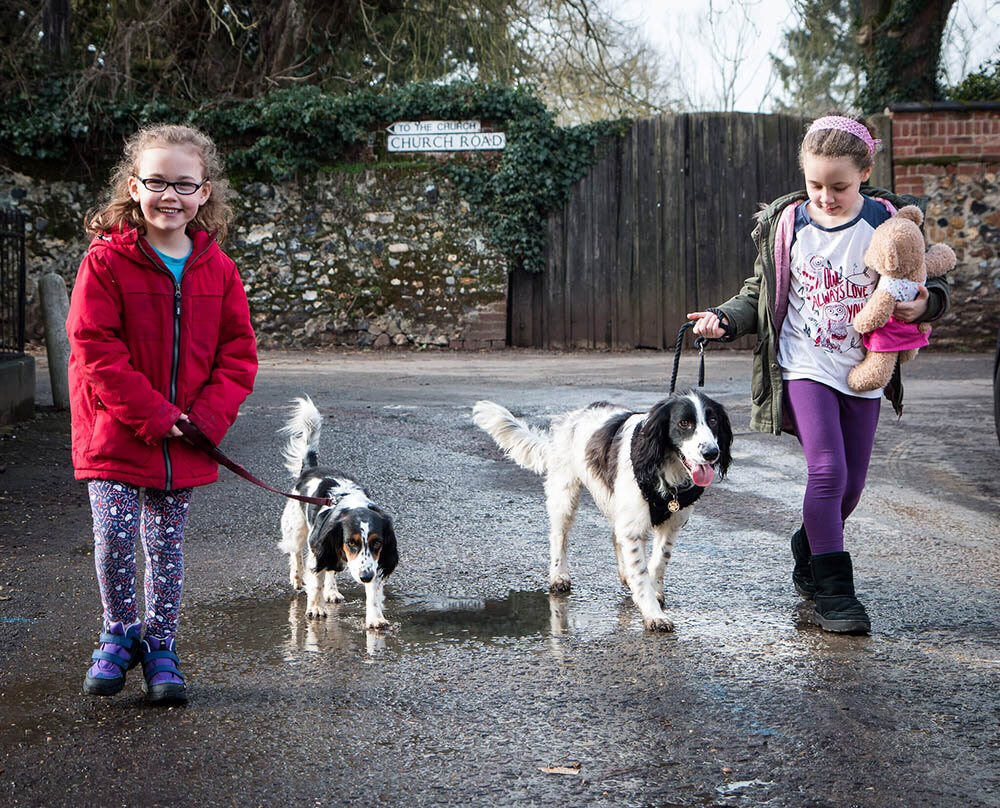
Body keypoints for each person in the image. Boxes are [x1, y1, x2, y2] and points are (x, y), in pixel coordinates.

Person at [687, 113, 949, 635]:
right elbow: (759, 291)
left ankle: (810, 544)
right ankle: (835, 593)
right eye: (815, 184)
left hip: (865, 369)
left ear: (865, 171)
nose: (826, 196)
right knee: (827, 472)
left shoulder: (886, 220)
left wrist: (926, 308)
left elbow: (924, 281)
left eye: (839, 186)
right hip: (805, 364)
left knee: (849, 489)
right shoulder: (789, 225)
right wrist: (726, 320)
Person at [67, 124, 257, 703]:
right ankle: (120, 632)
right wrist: (154, 413)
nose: (168, 195)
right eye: (156, 182)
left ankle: (162, 645)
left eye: (183, 184)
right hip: (118, 431)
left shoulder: (219, 270)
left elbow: (238, 354)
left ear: (204, 193)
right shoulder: (106, 261)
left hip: (185, 440)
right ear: (134, 186)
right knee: (116, 537)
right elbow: (93, 344)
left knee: (167, 544)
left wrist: (203, 421)